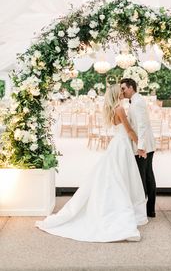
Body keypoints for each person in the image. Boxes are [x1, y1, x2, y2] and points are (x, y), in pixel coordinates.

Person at [35, 84, 148, 242]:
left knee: (117, 176)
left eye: (123, 90)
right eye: (120, 91)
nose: (123, 92)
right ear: (116, 94)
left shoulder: (113, 108)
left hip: (118, 144)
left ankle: (117, 206)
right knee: (121, 177)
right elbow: (129, 131)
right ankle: (119, 209)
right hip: (122, 145)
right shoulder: (120, 109)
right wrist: (141, 147)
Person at [120, 78, 157, 218]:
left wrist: (141, 147)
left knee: (144, 177)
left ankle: (146, 209)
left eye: (123, 88)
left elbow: (142, 126)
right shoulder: (135, 101)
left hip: (143, 146)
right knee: (147, 176)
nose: (122, 91)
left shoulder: (138, 102)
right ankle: (149, 209)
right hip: (143, 145)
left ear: (131, 88)